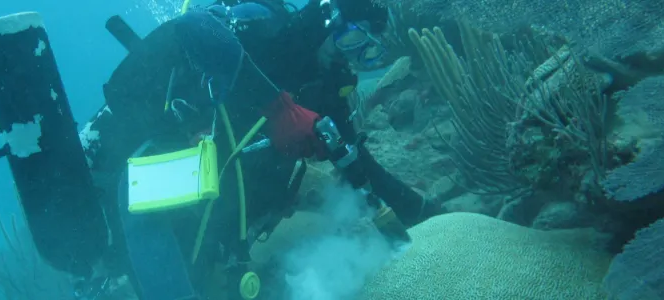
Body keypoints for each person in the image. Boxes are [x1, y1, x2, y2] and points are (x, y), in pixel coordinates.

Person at [54, 0, 443, 298]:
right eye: (351, 40)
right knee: (147, 197)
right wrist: (278, 108)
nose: (350, 56)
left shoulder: (325, 87)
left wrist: (426, 215)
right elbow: (194, 25)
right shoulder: (266, 26)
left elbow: (358, 165)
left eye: (367, 53)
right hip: (141, 152)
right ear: (327, 19)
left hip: (212, 211)